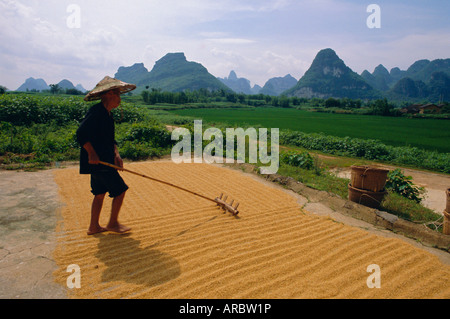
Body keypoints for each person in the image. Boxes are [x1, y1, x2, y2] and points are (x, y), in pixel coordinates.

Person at [76, 76, 136, 235]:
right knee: (120, 190)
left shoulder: (107, 114)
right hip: (99, 162)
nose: (120, 98)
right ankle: (113, 223)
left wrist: (116, 155)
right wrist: (92, 153)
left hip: (103, 161)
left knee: (99, 193)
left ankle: (93, 227)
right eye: (118, 94)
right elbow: (81, 134)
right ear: (109, 94)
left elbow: (110, 140)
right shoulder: (97, 112)